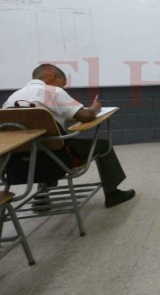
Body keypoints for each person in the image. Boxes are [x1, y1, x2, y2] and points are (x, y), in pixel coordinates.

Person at [2, 64, 136, 208]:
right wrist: (95, 107)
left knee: (39, 142)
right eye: (63, 84)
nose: (63, 88)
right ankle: (113, 194)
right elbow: (86, 116)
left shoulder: (11, 98)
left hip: (16, 165)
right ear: (51, 76)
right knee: (103, 144)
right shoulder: (54, 92)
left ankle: (42, 196)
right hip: (59, 160)